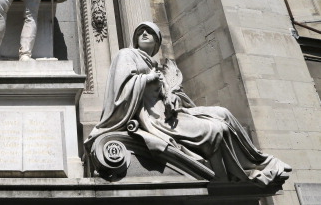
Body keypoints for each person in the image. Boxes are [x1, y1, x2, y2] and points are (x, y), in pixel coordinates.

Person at [85, 22, 291, 186]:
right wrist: (147, 79)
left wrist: (172, 98)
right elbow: (120, 91)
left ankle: (259, 162)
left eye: (150, 31)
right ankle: (241, 173)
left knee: (223, 112)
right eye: (141, 31)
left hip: (171, 115)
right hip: (153, 120)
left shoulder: (155, 66)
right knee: (216, 130)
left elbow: (170, 97)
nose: (145, 33)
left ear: (157, 43)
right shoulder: (126, 55)